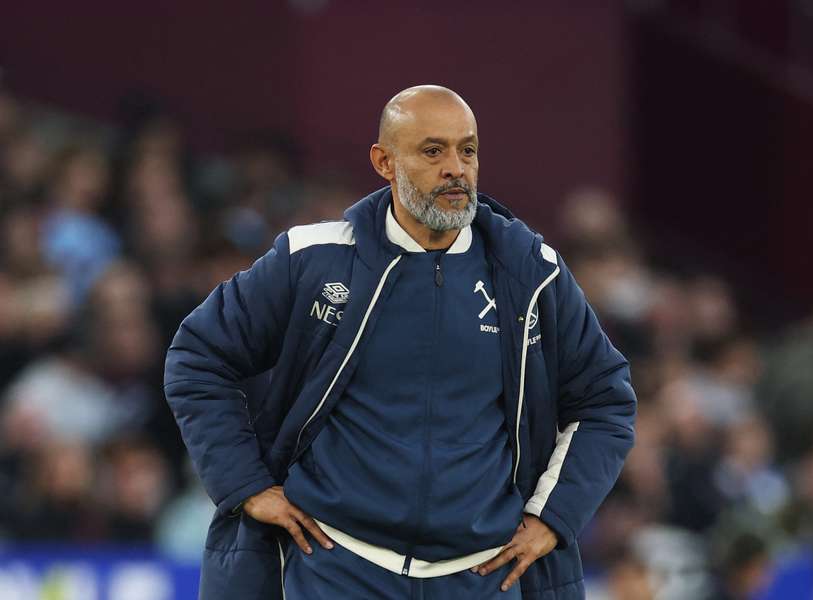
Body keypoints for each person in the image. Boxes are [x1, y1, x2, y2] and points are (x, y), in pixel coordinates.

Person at [164, 85, 636, 599]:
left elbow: (605, 402)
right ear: (384, 162)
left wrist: (554, 515)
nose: (456, 167)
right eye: (433, 151)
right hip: (334, 566)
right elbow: (198, 356)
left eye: (468, 149)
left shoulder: (531, 273)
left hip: (481, 576)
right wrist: (245, 485)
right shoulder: (314, 259)